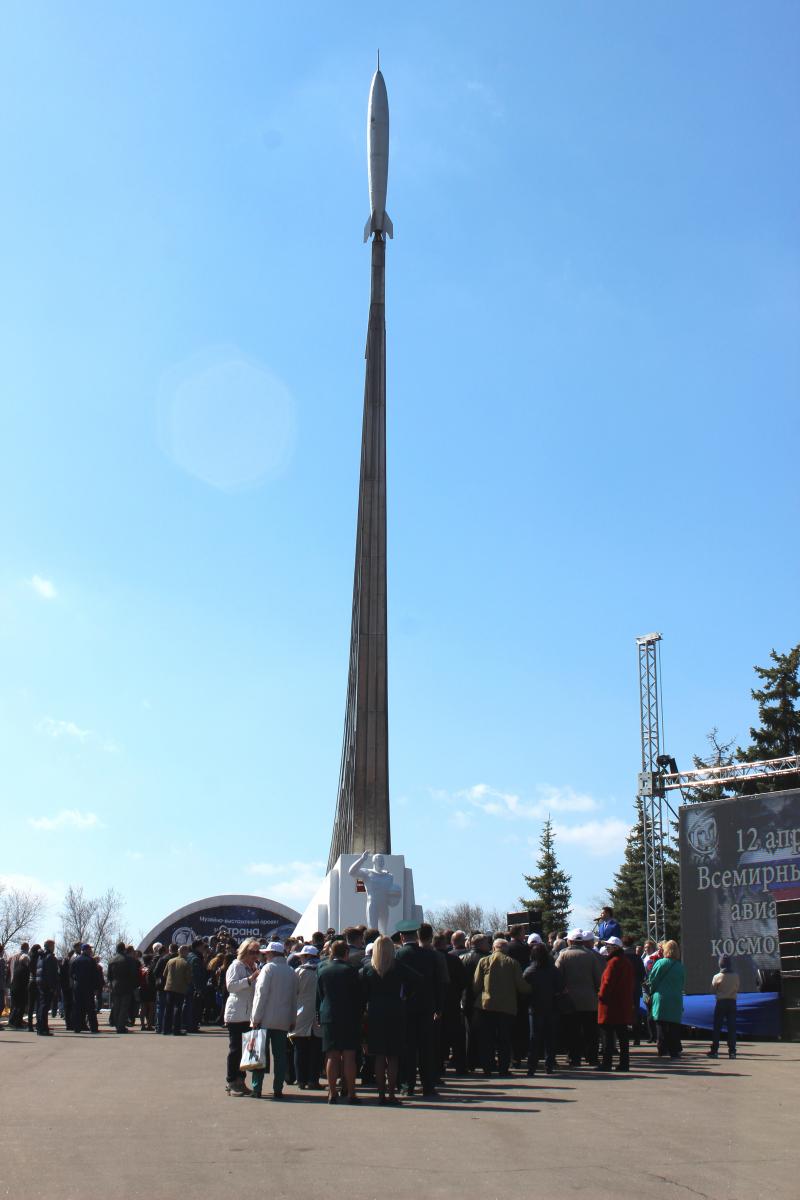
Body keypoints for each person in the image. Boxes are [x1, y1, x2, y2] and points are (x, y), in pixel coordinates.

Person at [360, 934, 421, 1104]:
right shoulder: (398, 967)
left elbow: (361, 992)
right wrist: (405, 995)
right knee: (393, 1056)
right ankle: (392, 1094)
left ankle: (380, 1094)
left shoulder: (368, 969)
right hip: (396, 1011)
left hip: (375, 1013)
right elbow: (417, 980)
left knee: (379, 1056)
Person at [396, 921, 446, 1097]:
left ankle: (406, 1085)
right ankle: (428, 1086)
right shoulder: (430, 955)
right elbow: (438, 983)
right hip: (427, 1007)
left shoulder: (399, 955)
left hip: (405, 1008)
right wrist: (439, 1007)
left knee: (407, 1048)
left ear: (402, 936)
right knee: (426, 1048)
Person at [473, 938, 531, 1076]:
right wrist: (532, 988)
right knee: (504, 1039)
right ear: (506, 949)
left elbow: (476, 985)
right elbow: (521, 986)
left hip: (486, 1005)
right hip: (507, 1007)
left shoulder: (483, 961)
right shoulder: (513, 963)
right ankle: (503, 1068)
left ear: (493, 948)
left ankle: (487, 1067)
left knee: (488, 1039)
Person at [316, 939, 362, 1104]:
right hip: (349, 1016)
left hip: (329, 1014)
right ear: (346, 953)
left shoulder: (322, 970)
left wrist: (319, 1015)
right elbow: (358, 996)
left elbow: (319, 995)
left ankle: (332, 1093)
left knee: (331, 1056)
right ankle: (351, 1093)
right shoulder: (351, 970)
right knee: (349, 1056)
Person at [250, 942, 298, 1099]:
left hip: (265, 1019)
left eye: (267, 953)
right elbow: (294, 998)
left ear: (271, 954)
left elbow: (261, 995)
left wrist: (255, 1018)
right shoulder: (291, 971)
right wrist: (292, 1019)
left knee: (259, 1054)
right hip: (283, 1020)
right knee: (280, 1056)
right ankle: (278, 1088)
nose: (265, 955)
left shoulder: (268, 968)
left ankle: (257, 1088)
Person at [555, 929, 603, 1067]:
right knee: (591, 1031)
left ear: (569, 941)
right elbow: (598, 979)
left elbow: (558, 976)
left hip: (570, 1000)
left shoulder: (563, 956)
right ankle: (592, 1057)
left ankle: (574, 1057)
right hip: (589, 1000)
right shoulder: (591, 955)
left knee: (572, 1031)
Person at [223, 939, 261, 1096]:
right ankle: (231, 1081)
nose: (255, 955)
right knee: (235, 1049)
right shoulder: (236, 966)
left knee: (247, 1050)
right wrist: (250, 979)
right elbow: (231, 986)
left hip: (249, 1014)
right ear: (244, 951)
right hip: (237, 1013)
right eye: (252, 952)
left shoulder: (254, 966)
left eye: (257, 952)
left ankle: (241, 1080)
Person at [523, 941, 562, 1075]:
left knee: (534, 1038)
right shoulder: (553, 970)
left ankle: (532, 1066)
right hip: (551, 1006)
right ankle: (549, 1065)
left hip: (534, 1008)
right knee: (550, 1037)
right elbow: (560, 987)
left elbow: (523, 990)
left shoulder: (529, 971)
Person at [596, 937, 634, 1071]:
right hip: (623, 1004)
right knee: (623, 1036)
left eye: (609, 946)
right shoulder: (626, 962)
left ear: (616, 948)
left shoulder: (613, 962)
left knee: (608, 1036)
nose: (607, 947)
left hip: (610, 1005)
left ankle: (607, 1063)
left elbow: (607, 983)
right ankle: (624, 1063)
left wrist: (600, 996)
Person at [291, 944, 323, 1089]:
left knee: (300, 1048)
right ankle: (313, 1080)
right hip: (318, 1012)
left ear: (306, 957)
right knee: (316, 1049)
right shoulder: (322, 970)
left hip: (301, 1011)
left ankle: (301, 1079)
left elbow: (293, 993)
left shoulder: (298, 972)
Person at [647, 939, 685, 1058]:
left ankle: (662, 1050)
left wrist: (651, 992)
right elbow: (682, 983)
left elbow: (652, 980)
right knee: (674, 1026)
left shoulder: (660, 963)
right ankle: (674, 1050)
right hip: (676, 998)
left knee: (661, 1025)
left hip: (661, 997)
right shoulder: (680, 966)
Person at [708, 955, 740, 1059]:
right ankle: (732, 1051)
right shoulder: (736, 976)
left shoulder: (717, 976)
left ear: (720, 964)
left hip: (721, 1002)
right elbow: (737, 988)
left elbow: (712, 990)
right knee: (732, 1027)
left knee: (717, 1027)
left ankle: (714, 1050)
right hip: (732, 1002)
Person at [107, 941, 138, 1033]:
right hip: (126, 985)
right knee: (124, 1007)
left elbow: (109, 976)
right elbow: (133, 974)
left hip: (115, 985)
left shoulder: (111, 960)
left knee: (116, 1006)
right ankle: (121, 1026)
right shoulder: (129, 960)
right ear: (124, 949)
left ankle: (117, 1025)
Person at [162, 946, 192, 1036]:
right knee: (177, 1008)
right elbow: (188, 978)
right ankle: (176, 1030)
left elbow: (164, 974)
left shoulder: (170, 961)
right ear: (184, 952)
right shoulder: (186, 963)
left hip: (169, 987)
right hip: (180, 988)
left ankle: (165, 1029)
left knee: (168, 1008)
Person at [69, 945, 99, 1033]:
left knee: (78, 1007)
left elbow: (71, 973)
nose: (91, 951)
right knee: (90, 1008)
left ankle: (77, 1027)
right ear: (85, 950)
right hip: (88, 986)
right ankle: (94, 1028)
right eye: (89, 949)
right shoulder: (91, 960)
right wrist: (96, 987)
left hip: (78, 986)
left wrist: (77, 979)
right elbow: (95, 975)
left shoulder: (76, 960)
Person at [35, 940, 59, 1036]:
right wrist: (52, 986)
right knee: (45, 1006)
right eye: (53, 945)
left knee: (42, 1006)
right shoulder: (50, 957)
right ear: (50, 946)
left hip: (40, 982)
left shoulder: (40, 956)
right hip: (47, 984)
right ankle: (43, 1028)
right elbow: (51, 974)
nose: (54, 947)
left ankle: (41, 1027)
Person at [8, 953, 31, 1030]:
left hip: (14, 989)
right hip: (21, 990)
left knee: (15, 1006)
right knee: (20, 1007)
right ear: (26, 961)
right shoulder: (26, 969)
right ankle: (17, 1023)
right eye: (27, 960)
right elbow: (26, 981)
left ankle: (11, 1021)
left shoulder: (17, 967)